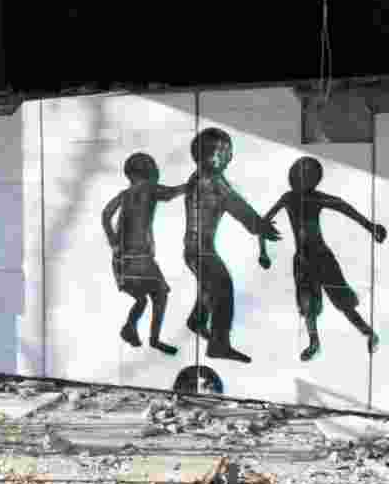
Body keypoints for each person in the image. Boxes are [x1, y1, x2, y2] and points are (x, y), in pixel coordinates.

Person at [258, 156, 385, 362]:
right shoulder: (288, 198)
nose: (299, 177)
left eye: (305, 174)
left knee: (343, 303)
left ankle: (369, 333)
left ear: (312, 179)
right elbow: (263, 223)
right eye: (298, 172)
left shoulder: (315, 198)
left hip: (322, 258)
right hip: (302, 259)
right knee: (307, 305)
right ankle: (314, 343)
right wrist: (262, 252)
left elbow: (343, 206)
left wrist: (370, 226)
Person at [184, 128, 280, 364]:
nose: (230, 157)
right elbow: (235, 204)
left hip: (195, 249)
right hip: (201, 250)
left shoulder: (201, 178)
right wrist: (259, 225)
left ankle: (197, 320)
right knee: (222, 287)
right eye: (226, 152)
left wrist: (257, 224)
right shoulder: (212, 181)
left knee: (210, 284)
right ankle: (219, 345)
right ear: (212, 155)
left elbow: (233, 201)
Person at [101, 152, 186, 355]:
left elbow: (106, 214)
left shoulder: (124, 194)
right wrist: (190, 184)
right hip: (139, 259)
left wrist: (113, 240)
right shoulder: (148, 188)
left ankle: (129, 328)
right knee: (160, 294)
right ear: (148, 171)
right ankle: (153, 339)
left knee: (142, 299)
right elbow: (170, 193)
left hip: (121, 261)